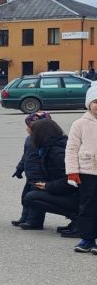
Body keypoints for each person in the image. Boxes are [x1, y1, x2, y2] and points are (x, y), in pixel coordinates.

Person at [20, 117, 78, 231]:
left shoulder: (56, 152)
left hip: (77, 195)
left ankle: (77, 217)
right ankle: (77, 218)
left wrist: (48, 186)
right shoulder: (57, 146)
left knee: (31, 198)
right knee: (33, 192)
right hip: (73, 192)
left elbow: (71, 180)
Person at [65, 84, 97, 253]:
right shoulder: (79, 124)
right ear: (89, 103)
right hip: (87, 172)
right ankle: (87, 239)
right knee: (87, 206)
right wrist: (72, 171)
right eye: (96, 101)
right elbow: (71, 149)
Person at [10, 112, 49, 227]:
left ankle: (35, 221)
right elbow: (25, 156)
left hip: (40, 176)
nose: (27, 128)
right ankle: (24, 218)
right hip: (30, 176)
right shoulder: (29, 139)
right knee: (26, 197)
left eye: (29, 126)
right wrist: (19, 169)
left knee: (36, 199)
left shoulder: (44, 141)